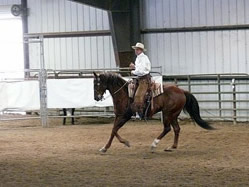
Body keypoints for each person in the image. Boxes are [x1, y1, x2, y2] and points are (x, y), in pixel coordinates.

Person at [129, 42, 152, 119]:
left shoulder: (143, 58)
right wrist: (135, 67)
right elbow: (140, 68)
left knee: (138, 95)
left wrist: (133, 71)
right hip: (140, 78)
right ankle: (137, 112)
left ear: (141, 50)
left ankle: (140, 112)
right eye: (136, 49)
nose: (136, 51)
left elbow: (141, 71)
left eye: (137, 49)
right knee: (133, 93)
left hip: (144, 79)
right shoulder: (139, 58)